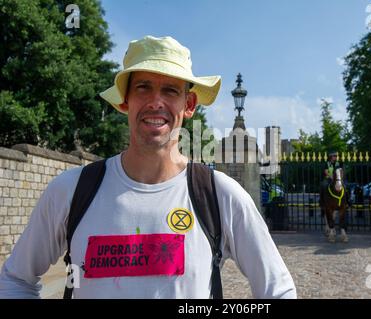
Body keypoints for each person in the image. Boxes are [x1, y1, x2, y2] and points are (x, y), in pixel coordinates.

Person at [0, 35, 296, 299]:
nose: (156, 101)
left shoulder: (220, 196)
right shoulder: (70, 191)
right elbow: (14, 280)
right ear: (125, 101)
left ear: (189, 104)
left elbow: (279, 290)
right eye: (143, 87)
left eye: (170, 90)